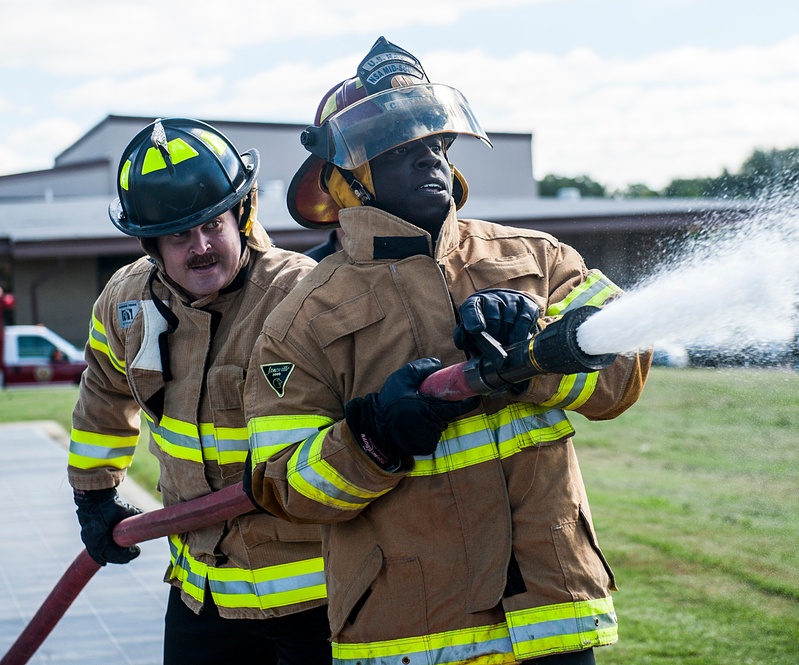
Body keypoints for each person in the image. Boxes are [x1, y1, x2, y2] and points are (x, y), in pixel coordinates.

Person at [244, 37, 651, 664]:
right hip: (411, 634)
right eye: (401, 147)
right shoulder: (300, 317)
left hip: (550, 612)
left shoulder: (536, 259)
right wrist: (375, 437)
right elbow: (284, 485)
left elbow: (624, 373)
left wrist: (537, 349)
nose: (429, 157)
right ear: (347, 178)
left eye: (436, 142)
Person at [66, 118, 331, 665]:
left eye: (213, 224)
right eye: (179, 235)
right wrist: (93, 496)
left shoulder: (302, 294)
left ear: (243, 214)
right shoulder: (126, 302)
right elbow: (103, 396)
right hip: (200, 591)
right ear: (151, 244)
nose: (201, 247)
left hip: (315, 597)